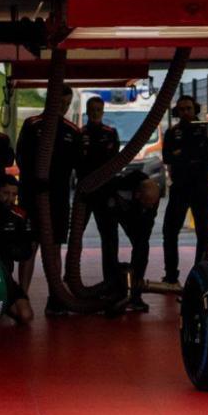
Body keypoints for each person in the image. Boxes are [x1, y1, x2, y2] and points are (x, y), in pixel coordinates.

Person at [17, 88, 81, 315]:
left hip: (58, 199)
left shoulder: (71, 132)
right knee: (29, 247)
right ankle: (21, 296)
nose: (62, 108)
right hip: (32, 196)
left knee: (54, 248)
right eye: (59, 103)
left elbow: (79, 165)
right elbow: (21, 156)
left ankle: (56, 297)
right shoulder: (32, 125)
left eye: (66, 104)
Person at [160, 95, 208, 285]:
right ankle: (171, 273)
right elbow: (167, 157)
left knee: (203, 232)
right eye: (181, 109)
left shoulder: (205, 131)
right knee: (169, 231)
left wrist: (182, 153)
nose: (185, 112)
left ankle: (200, 272)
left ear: (195, 109)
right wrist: (189, 154)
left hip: (201, 187)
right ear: (177, 112)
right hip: (180, 187)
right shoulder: (172, 133)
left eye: (188, 108)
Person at [94, 170, 161, 315]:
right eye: (147, 204)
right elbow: (101, 204)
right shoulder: (115, 187)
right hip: (107, 206)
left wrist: (139, 246)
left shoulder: (152, 199)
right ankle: (110, 287)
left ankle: (135, 293)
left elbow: (147, 226)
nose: (150, 207)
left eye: (151, 205)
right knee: (110, 243)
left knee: (142, 246)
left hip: (133, 213)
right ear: (138, 195)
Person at [79, 95, 124, 303]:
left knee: (110, 238)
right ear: (87, 112)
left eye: (99, 109)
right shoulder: (80, 134)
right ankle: (72, 276)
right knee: (75, 236)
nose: (96, 112)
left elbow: (115, 161)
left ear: (103, 111)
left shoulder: (110, 134)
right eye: (92, 109)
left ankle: (111, 280)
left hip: (105, 192)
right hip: (84, 192)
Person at [0, 176, 34, 325]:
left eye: (14, 195)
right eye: (5, 193)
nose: (9, 198)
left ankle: (3, 306)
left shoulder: (19, 216)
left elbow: (27, 252)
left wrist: (12, 248)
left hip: (4, 278)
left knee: (26, 315)